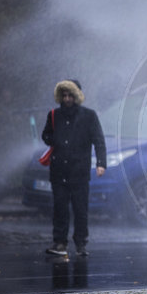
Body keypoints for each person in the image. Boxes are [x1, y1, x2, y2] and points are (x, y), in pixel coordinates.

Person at [42, 79, 106, 256]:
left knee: (80, 209)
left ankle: (80, 243)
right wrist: (55, 140)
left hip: (79, 171)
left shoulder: (89, 116)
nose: (67, 98)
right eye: (64, 95)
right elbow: (46, 135)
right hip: (59, 170)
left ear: (77, 96)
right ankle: (60, 242)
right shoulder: (54, 115)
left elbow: (99, 140)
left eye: (70, 95)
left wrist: (101, 163)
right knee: (60, 208)